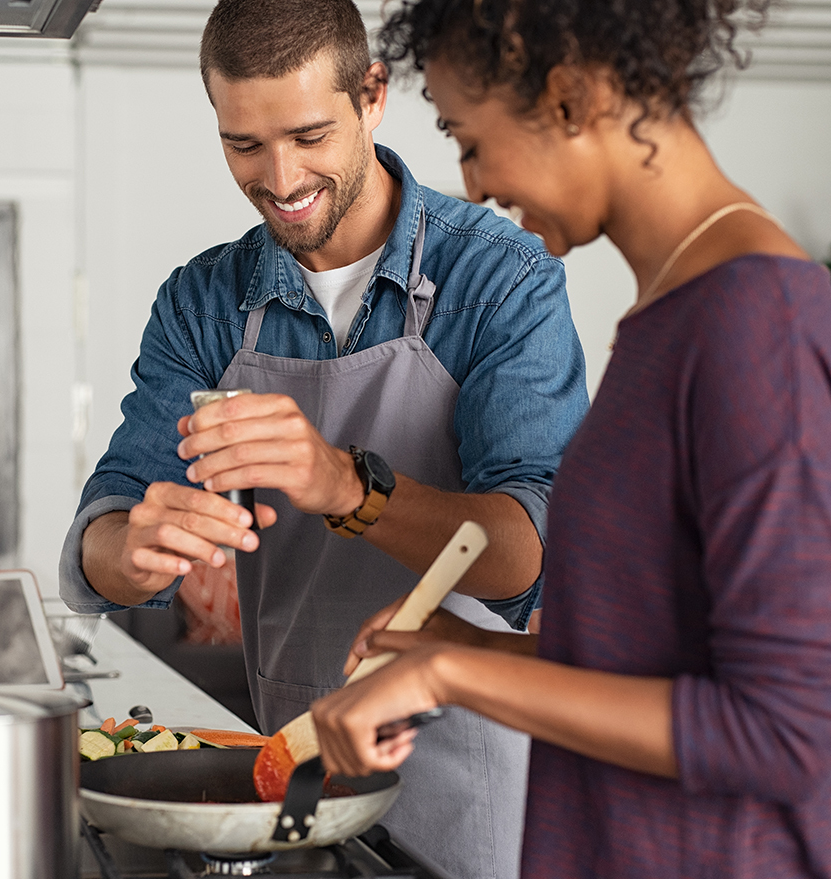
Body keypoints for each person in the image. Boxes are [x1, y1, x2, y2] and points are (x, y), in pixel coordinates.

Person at [59, 1, 589, 875]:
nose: (280, 176)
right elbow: (100, 538)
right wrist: (136, 548)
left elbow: (529, 552)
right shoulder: (202, 303)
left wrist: (345, 484)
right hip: (296, 779)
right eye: (244, 145)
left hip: (474, 790)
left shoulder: (501, 278)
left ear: (372, 95)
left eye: (308, 135)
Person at [309, 0, 831, 876]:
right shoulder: (670, 317)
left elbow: (787, 728)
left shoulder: (757, 328)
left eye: (469, 139)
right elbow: (659, 655)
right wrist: (464, 645)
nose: (470, 183)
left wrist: (452, 679)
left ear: (570, 98)